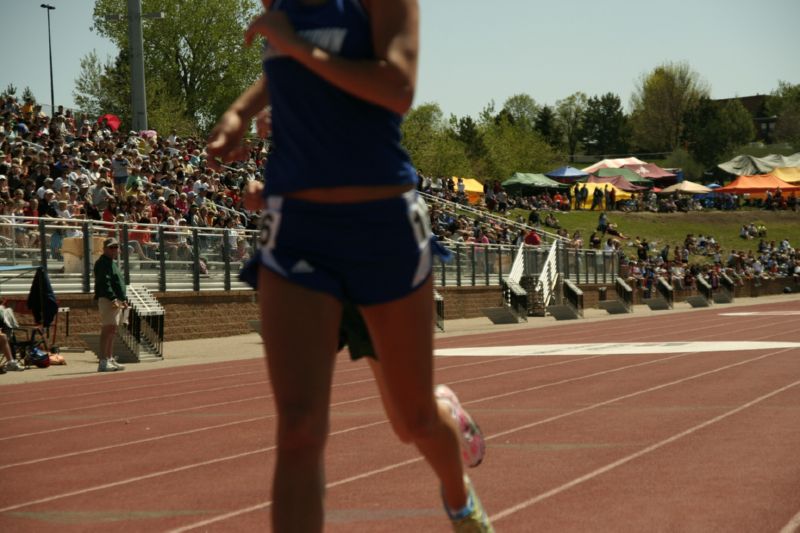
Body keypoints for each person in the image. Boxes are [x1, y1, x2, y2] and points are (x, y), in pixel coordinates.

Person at [206, 1, 492, 531]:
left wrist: (293, 44)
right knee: (298, 429)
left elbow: (397, 85)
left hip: (380, 230)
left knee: (414, 421)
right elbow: (284, 63)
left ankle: (459, 499)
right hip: (297, 232)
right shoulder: (279, 4)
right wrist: (239, 111)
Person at [93, 238, 127, 372]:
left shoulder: (111, 263)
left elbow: (117, 283)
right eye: (111, 247)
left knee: (112, 330)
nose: (114, 250)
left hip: (115, 300)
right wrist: (113, 298)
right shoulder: (102, 263)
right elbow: (104, 282)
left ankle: (109, 358)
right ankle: (103, 361)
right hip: (108, 300)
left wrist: (122, 299)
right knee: (107, 330)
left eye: (116, 247)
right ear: (105, 249)